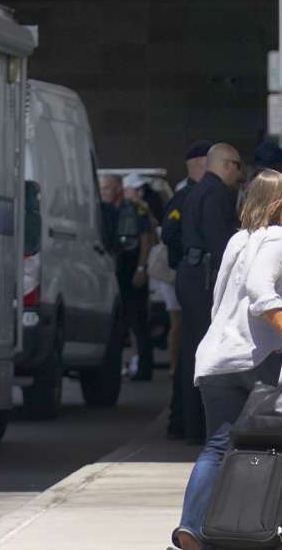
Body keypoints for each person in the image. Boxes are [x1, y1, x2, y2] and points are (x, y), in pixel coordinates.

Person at [172, 169, 282, 550]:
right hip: (257, 356)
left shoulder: (237, 240)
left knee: (218, 446)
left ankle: (194, 527)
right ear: (281, 203)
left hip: (217, 356)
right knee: (279, 448)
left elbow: (220, 301)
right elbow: (259, 288)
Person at [175, 143, 242, 443]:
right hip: (204, 278)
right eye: (238, 166)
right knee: (206, 353)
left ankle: (189, 425)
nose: (239, 174)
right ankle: (202, 426)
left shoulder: (197, 189)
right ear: (227, 164)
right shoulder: (217, 193)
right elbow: (221, 244)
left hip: (191, 274)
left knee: (192, 349)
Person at [162, 140, 212, 439]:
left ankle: (182, 418)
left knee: (189, 350)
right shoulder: (185, 198)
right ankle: (183, 419)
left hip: (192, 276)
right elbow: (169, 233)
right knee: (192, 349)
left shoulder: (197, 195)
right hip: (191, 276)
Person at [100, 174, 154, 382]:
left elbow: (146, 238)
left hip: (131, 270)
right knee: (118, 322)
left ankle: (144, 368)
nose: (103, 192)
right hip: (111, 272)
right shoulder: (101, 210)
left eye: (106, 188)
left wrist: (141, 268)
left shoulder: (134, 208)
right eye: (102, 188)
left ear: (118, 189)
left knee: (138, 322)